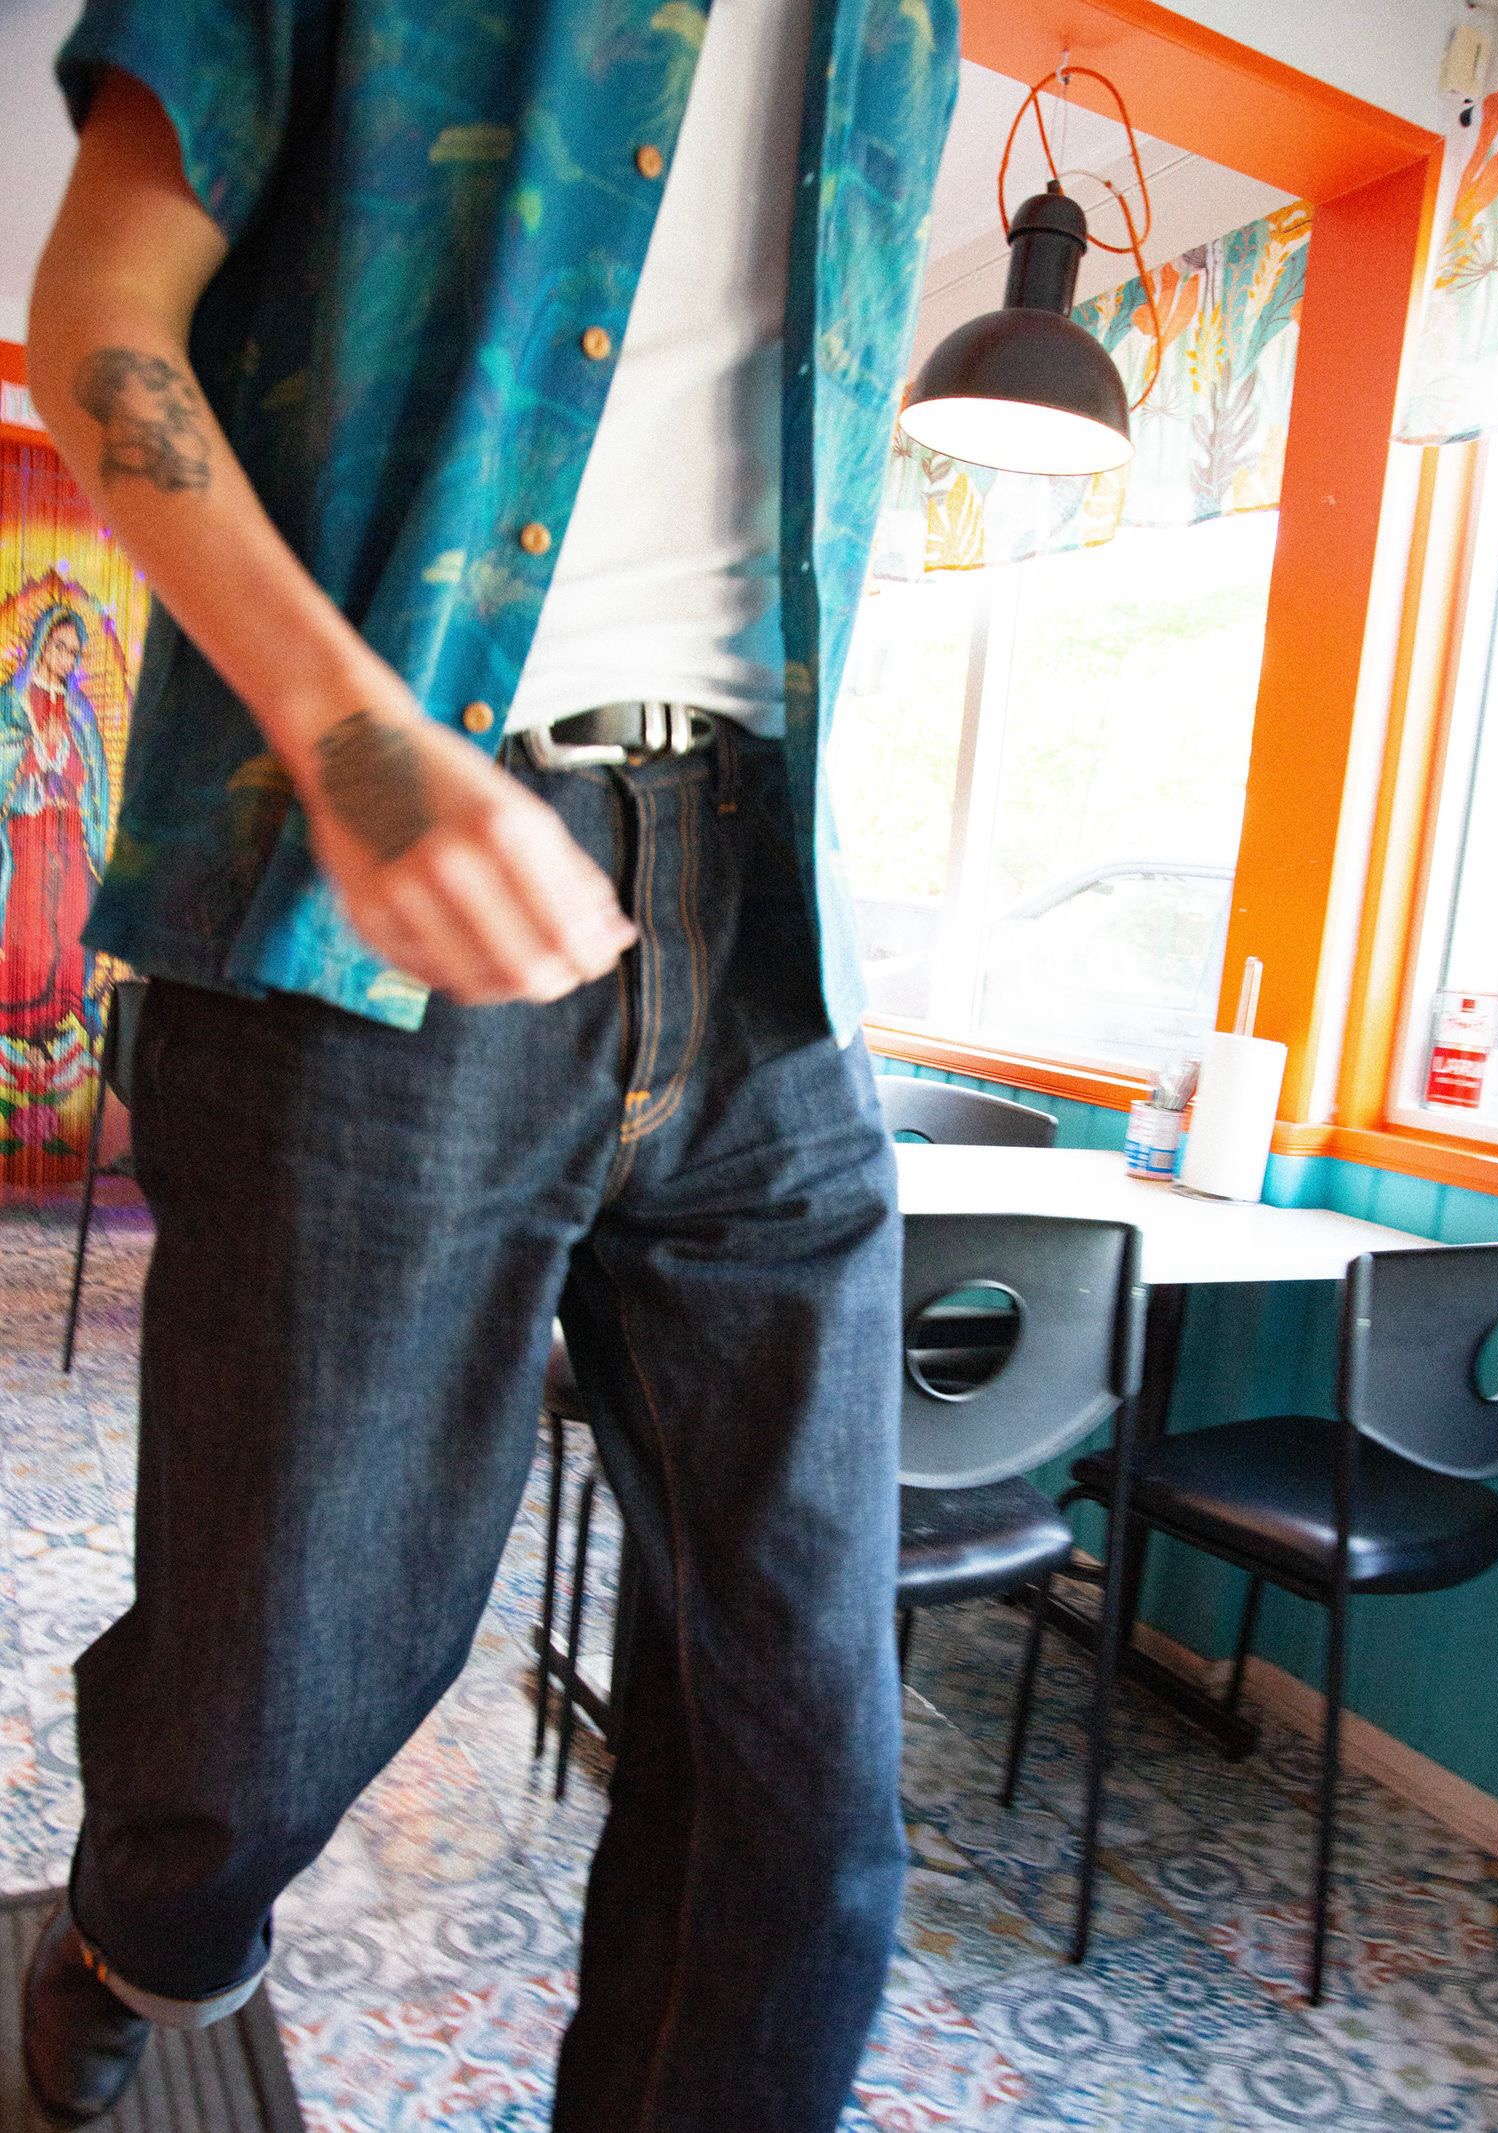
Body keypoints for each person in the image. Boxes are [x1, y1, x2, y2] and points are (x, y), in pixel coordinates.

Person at [19, 1, 960, 2128]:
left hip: (767, 933)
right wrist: (361, 753)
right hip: (375, 874)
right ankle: (137, 1935)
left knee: (805, 1776)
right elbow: (98, 317)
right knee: (276, 1693)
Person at [0, 602, 109, 1041]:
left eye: (73, 652)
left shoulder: (79, 710)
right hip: (28, 829)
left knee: (71, 917)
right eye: (59, 646)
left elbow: (92, 774)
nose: (65, 658)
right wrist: (31, 752)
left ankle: (66, 1004)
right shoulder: (12, 701)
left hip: (68, 831)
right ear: (42, 644)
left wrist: (65, 761)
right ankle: (20, 1014)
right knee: (30, 924)